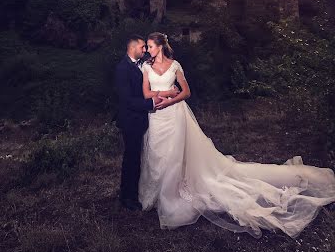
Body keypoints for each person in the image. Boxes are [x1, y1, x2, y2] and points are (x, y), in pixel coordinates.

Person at [139, 31, 335, 238]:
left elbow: (186, 92)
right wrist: (165, 93)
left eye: (150, 46)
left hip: (175, 115)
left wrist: (170, 100)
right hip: (156, 116)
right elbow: (145, 93)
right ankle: (156, 193)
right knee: (158, 152)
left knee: (175, 154)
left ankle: (172, 195)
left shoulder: (175, 65)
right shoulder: (146, 67)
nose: (148, 49)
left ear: (160, 46)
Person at [115, 35, 176, 211]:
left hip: (139, 119)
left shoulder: (138, 64)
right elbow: (127, 100)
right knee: (131, 160)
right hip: (130, 121)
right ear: (133, 48)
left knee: (136, 158)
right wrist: (151, 103)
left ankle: (131, 193)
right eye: (142, 47)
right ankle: (128, 198)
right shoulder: (122, 69)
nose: (145, 50)